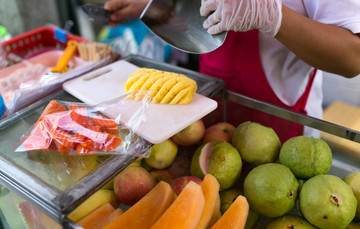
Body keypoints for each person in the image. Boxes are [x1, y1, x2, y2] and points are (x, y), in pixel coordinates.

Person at [104, 0, 360, 143]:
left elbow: (352, 57)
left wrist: (273, 17)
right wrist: (156, 6)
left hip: (283, 136)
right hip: (210, 124)